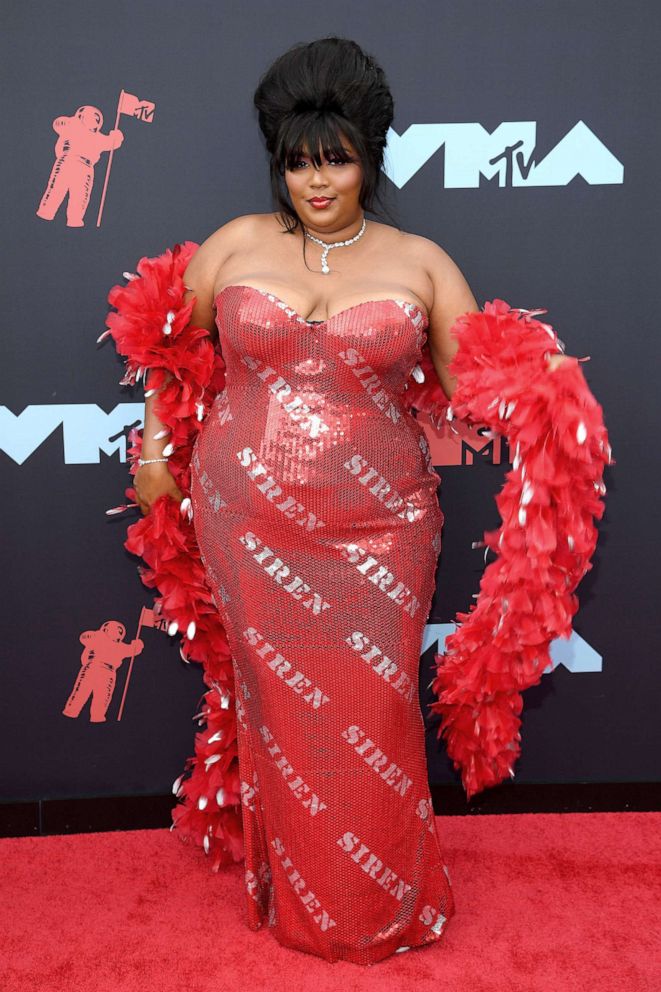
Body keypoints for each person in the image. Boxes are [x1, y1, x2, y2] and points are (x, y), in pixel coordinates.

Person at [108, 36, 607, 966]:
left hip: (381, 531)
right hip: (246, 523)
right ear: (280, 166)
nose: (317, 182)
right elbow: (164, 342)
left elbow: (473, 384)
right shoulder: (236, 246)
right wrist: (154, 448)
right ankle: (292, 901)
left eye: (334, 159)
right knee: (277, 709)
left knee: (369, 713)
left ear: (368, 156)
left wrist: (545, 385)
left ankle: (375, 904)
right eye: (298, 164)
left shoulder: (420, 261)